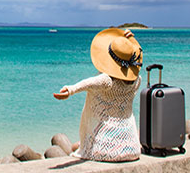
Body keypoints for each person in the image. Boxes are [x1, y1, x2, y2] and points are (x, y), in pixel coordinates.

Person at [53, 28, 143, 162]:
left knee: (83, 146)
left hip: (104, 151)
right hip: (132, 148)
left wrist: (69, 90)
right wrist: (130, 41)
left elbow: (85, 84)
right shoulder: (137, 80)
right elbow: (133, 57)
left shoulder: (106, 81)